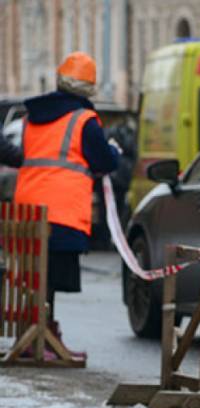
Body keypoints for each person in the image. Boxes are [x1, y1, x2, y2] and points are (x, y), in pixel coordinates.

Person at [14, 52, 119, 358]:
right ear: (89, 88)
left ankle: (41, 335)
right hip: (62, 208)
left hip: (27, 206)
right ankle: (43, 339)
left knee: (35, 274)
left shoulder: (32, 116)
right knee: (52, 277)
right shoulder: (83, 120)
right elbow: (102, 160)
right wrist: (113, 152)